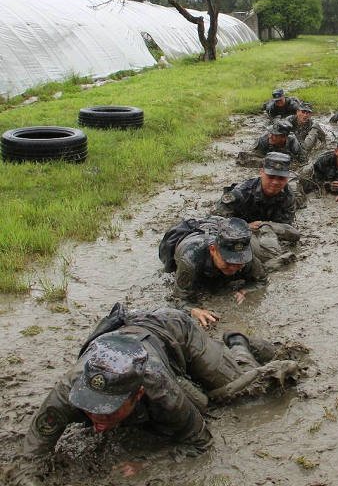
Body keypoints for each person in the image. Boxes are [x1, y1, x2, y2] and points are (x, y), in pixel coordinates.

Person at [7, 304, 299, 485]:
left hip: (172, 329)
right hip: (120, 334)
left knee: (229, 392)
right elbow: (28, 458)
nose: (96, 420)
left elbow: (200, 442)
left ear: (138, 395)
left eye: (108, 410)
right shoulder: (70, 388)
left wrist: (149, 463)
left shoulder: (159, 387)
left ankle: (239, 343)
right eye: (89, 407)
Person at [161, 216, 267, 327]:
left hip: (216, 226)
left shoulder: (246, 257)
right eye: (228, 262)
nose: (233, 267)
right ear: (213, 250)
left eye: (239, 262)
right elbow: (178, 298)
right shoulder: (190, 259)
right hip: (192, 239)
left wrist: (245, 290)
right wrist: (194, 310)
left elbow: (261, 280)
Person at [214, 153, 300, 271]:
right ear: (262, 172)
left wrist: (265, 225)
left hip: (267, 229)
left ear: (287, 178)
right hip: (238, 232)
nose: (275, 182)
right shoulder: (241, 193)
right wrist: (245, 227)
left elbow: (285, 226)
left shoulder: (288, 195)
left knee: (294, 235)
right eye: (271, 176)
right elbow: (216, 221)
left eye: (281, 178)